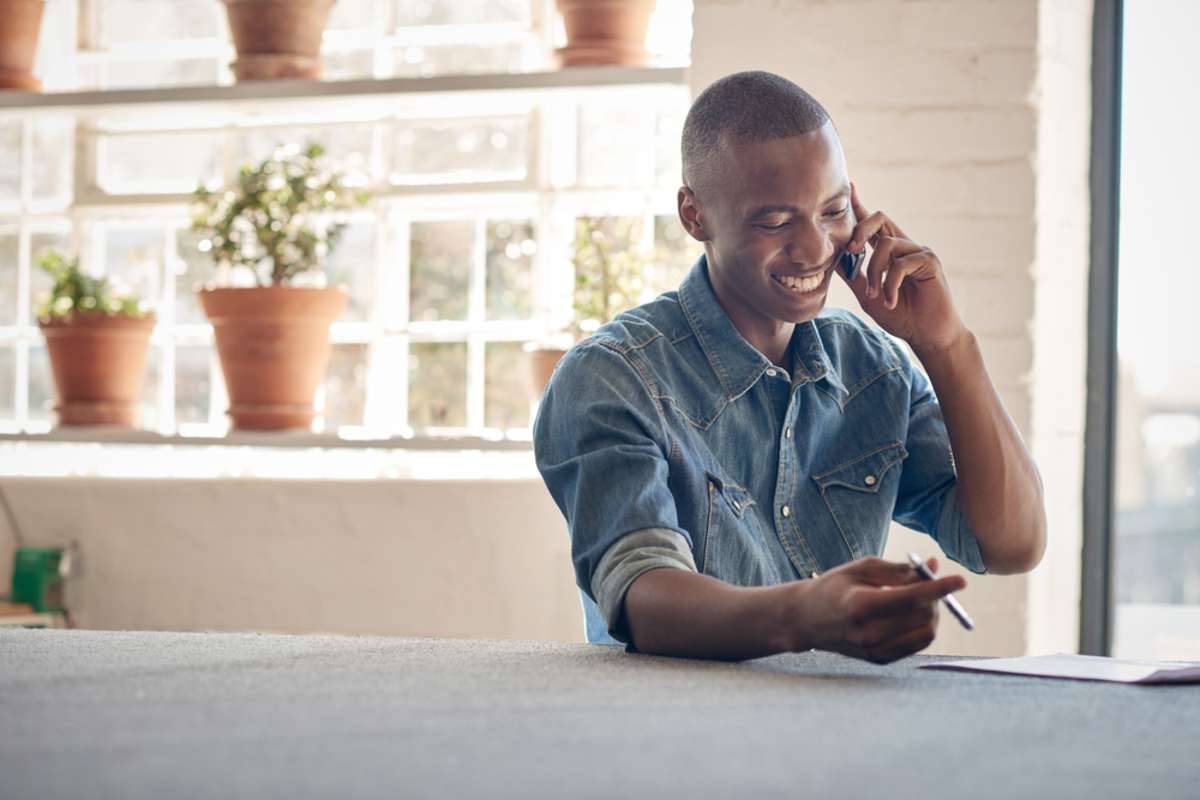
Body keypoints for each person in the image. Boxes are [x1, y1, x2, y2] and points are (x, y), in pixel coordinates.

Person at [533, 70, 1047, 663]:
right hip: (677, 737)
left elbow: (1011, 545)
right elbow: (642, 596)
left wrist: (948, 344)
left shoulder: (871, 367)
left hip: (835, 730)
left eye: (832, 212)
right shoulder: (613, 378)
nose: (815, 249)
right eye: (775, 222)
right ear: (693, 215)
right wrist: (806, 614)